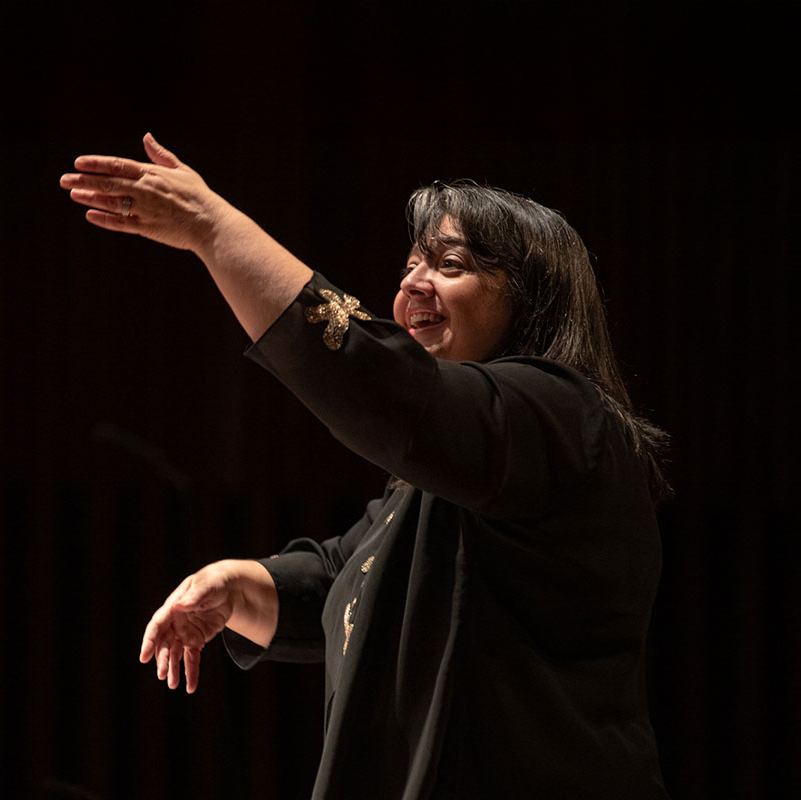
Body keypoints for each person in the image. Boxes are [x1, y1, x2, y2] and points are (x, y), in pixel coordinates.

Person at [59, 133, 671, 798]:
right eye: (411, 264)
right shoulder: (448, 480)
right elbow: (341, 578)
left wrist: (213, 227)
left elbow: (383, 383)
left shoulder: (565, 416)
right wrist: (235, 586)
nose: (411, 283)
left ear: (532, 299)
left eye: (450, 264)